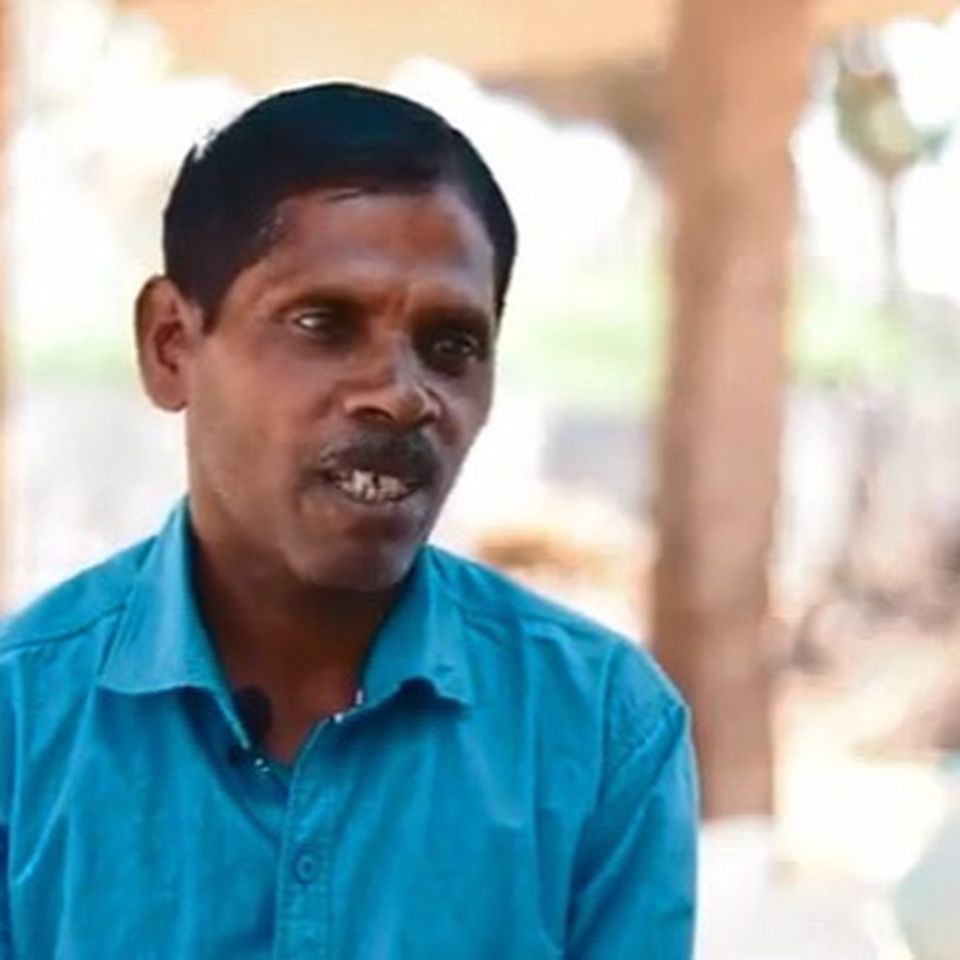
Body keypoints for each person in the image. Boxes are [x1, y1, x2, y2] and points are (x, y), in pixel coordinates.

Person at [0, 82, 697, 959]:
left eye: (451, 344)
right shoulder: (21, 724)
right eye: (321, 323)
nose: (402, 396)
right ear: (171, 343)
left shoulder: (597, 729)